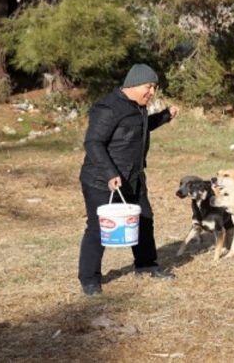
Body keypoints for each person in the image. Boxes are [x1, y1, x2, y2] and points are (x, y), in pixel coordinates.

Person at [78, 63, 180, 295]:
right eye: (149, 87)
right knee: (98, 228)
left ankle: (146, 265)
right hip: (101, 179)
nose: (152, 92)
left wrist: (164, 116)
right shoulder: (108, 108)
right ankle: (90, 280)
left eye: (154, 87)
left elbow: (140, 127)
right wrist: (110, 173)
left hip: (133, 176)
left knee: (144, 219)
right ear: (133, 85)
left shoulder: (137, 106)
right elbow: (93, 143)